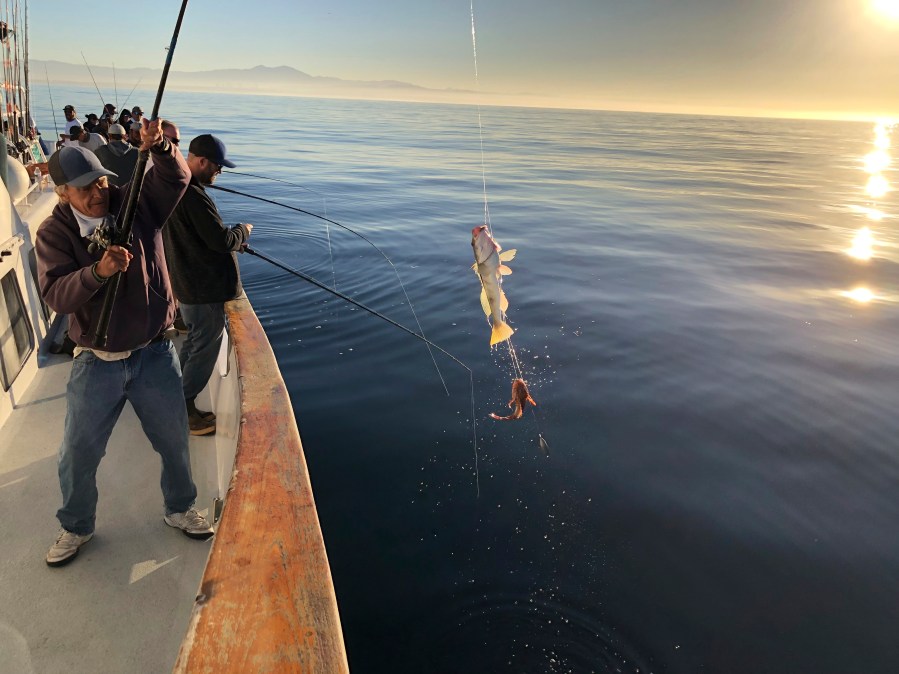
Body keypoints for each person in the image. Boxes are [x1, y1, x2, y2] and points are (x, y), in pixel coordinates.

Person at [35, 120, 214, 567]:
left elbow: (175, 177)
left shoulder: (134, 203)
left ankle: (179, 509)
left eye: (100, 180)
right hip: (96, 360)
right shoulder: (53, 234)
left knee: (174, 441)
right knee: (78, 452)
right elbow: (56, 293)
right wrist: (97, 273)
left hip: (153, 352)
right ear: (62, 193)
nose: (97, 191)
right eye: (83, 188)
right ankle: (76, 526)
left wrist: (161, 147)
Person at [163, 134, 252, 435]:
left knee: (195, 341)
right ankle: (183, 410)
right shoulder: (193, 195)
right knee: (205, 345)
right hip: (201, 289)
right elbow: (220, 240)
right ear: (201, 161)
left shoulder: (177, 187)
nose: (219, 172)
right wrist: (242, 231)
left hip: (188, 285)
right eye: (217, 166)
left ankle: (173, 396)